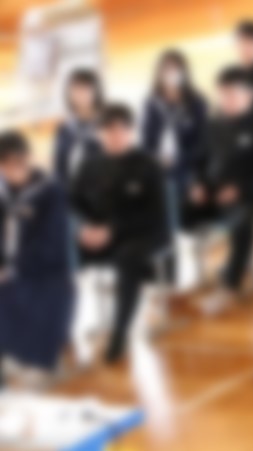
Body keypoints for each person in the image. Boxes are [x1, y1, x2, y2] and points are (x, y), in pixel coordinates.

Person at [72, 104, 169, 364]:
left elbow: (154, 215)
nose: (115, 136)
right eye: (109, 130)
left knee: (128, 258)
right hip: (98, 233)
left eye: (122, 130)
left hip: (142, 234)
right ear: (98, 134)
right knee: (57, 253)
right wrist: (82, 227)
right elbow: (71, 203)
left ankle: (120, 331)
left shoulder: (148, 165)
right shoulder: (89, 165)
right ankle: (62, 332)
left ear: (131, 132)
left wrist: (112, 230)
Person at [195, 68, 253, 314]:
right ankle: (188, 279)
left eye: (232, 94)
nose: (227, 100)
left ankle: (230, 286)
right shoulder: (214, 124)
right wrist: (199, 184)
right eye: (222, 94)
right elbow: (201, 160)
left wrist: (241, 189)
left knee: (243, 222)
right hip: (218, 191)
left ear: (248, 95)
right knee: (179, 208)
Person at [0, 131, 73, 384]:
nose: (13, 170)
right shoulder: (3, 193)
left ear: (29, 158)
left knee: (15, 297)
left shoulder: (51, 191)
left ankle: (23, 357)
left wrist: (12, 268)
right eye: (5, 164)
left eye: (18, 162)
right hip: (10, 270)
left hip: (45, 273)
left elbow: (52, 243)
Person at [141, 49, 208, 230]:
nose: (171, 74)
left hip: (188, 170)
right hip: (159, 171)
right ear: (159, 73)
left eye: (176, 69)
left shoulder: (196, 102)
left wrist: (179, 160)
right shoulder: (151, 104)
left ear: (184, 72)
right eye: (167, 69)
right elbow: (146, 142)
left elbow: (203, 143)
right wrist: (156, 158)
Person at [53, 69, 104, 185]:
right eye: (76, 89)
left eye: (85, 89)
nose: (80, 94)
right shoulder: (64, 130)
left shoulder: (105, 125)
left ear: (96, 91)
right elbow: (59, 171)